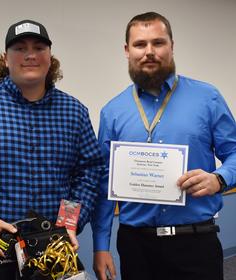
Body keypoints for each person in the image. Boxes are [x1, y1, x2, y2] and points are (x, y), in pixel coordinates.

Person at [0, 19, 103, 279]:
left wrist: (68, 222)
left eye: (39, 47)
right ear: (5, 58)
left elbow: (89, 172)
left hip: (52, 254)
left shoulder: (74, 112)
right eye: (20, 48)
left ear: (50, 57)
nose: (30, 55)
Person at [91, 12, 236, 280]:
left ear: (172, 45)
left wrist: (219, 179)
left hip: (196, 242)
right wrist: (100, 246)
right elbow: (103, 183)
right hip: (136, 248)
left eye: (158, 43)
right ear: (127, 50)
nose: (149, 52)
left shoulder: (208, 98)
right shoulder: (112, 112)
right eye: (139, 44)